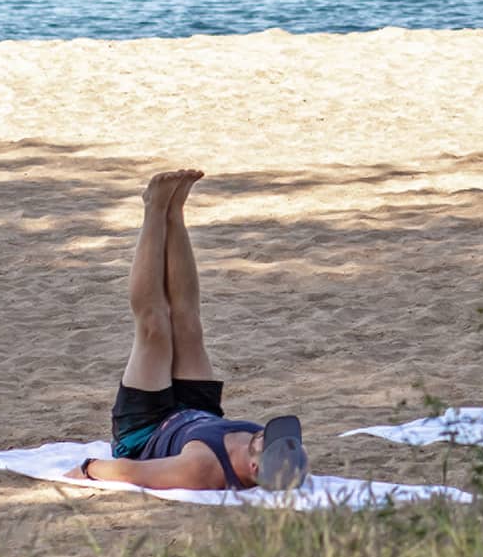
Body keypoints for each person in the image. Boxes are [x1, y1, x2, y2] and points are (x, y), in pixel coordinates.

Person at [68, 168, 310, 491]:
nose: (266, 432)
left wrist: (87, 469)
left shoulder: (202, 470)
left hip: (146, 430)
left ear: (254, 466)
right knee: (188, 324)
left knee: (154, 329)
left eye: (270, 441)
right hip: (198, 414)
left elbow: (130, 472)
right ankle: (176, 210)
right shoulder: (255, 438)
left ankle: (153, 208)